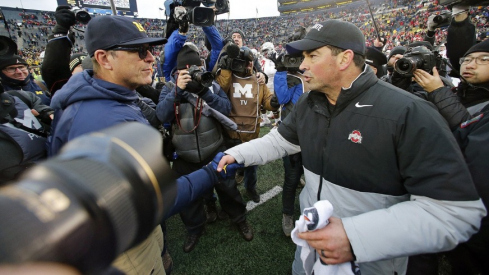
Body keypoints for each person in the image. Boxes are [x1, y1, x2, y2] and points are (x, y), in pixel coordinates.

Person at [215, 19, 486, 275]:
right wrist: (238, 153)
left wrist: (355, 236)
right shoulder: (310, 103)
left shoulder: (409, 112)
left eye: (312, 56)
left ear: (344, 58)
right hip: (311, 246)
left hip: (372, 260)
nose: (302, 66)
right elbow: (281, 140)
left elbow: (455, 212)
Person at [46, 15, 239, 275]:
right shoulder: (101, 119)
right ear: (104, 59)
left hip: (134, 229)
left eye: (150, 50)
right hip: (124, 243)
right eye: (139, 51)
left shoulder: (114, 98)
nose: (150, 58)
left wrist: (203, 90)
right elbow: (153, 200)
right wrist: (210, 172)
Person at [216, 43, 279, 203]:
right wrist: (225, 69)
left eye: (251, 61)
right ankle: (232, 196)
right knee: (230, 170)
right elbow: (219, 89)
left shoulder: (258, 80)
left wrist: (274, 101)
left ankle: (251, 189)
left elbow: (266, 101)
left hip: (252, 135)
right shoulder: (228, 79)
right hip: (232, 135)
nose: (249, 65)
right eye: (245, 61)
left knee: (252, 169)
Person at [270, 47, 308, 237]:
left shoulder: (313, 76)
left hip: (312, 136)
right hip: (293, 135)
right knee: (291, 179)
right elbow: (282, 99)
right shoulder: (291, 78)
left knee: (312, 174)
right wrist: (280, 72)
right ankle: (287, 213)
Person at [0, 87, 53, 184]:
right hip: (23, 187)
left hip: (56, 166)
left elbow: (42, 107)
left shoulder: (20, 96)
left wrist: (46, 115)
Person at [0, 38, 51, 106]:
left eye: (21, 67)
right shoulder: (2, 91)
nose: (19, 72)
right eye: (11, 69)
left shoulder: (42, 86)